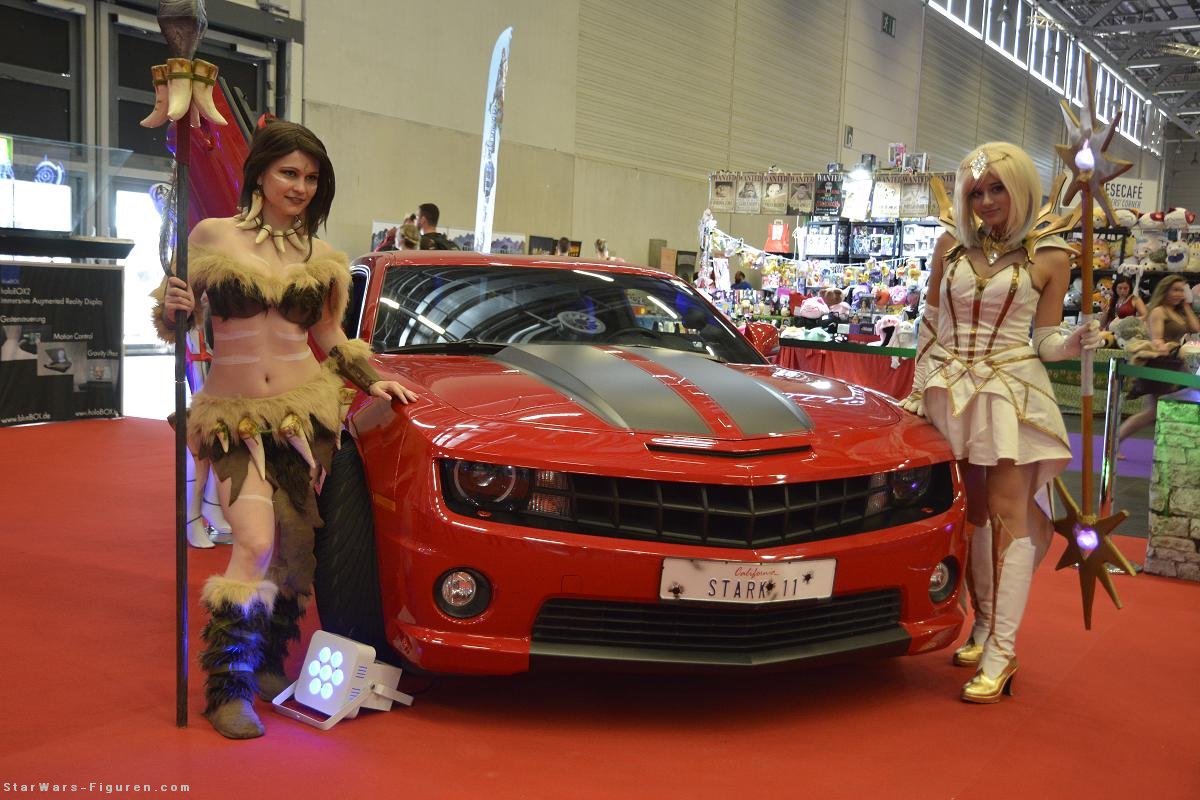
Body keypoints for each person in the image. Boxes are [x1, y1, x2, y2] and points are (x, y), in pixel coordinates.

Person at [155, 119, 418, 739]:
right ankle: (228, 687)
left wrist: (372, 378)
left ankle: (271, 659)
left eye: (311, 177)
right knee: (253, 541)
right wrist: (173, 310)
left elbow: (326, 333)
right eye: (288, 173)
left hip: (304, 418)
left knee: (295, 548)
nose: (299, 187)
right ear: (260, 175)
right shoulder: (212, 235)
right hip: (233, 418)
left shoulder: (322, 258)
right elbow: (177, 322)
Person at [900, 141, 1101, 703]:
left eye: (997, 189)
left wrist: (1073, 342)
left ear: (1021, 190)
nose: (986, 201)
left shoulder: (1051, 257)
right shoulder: (951, 245)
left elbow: (1045, 340)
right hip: (950, 391)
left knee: (1009, 512)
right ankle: (983, 624)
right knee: (971, 511)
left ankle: (1002, 650)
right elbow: (931, 322)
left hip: (1009, 394)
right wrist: (918, 387)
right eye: (976, 192)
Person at [1117, 274, 1200, 441]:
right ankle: (1114, 443)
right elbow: (1156, 338)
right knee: (1151, 412)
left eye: (1182, 290)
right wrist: (1163, 345)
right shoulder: (1158, 311)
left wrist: (1186, 305)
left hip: (1174, 362)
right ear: (1165, 290)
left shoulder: (1176, 312)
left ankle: (1115, 442)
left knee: (1152, 412)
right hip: (1161, 363)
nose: (1179, 294)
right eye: (1175, 290)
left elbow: (1195, 327)